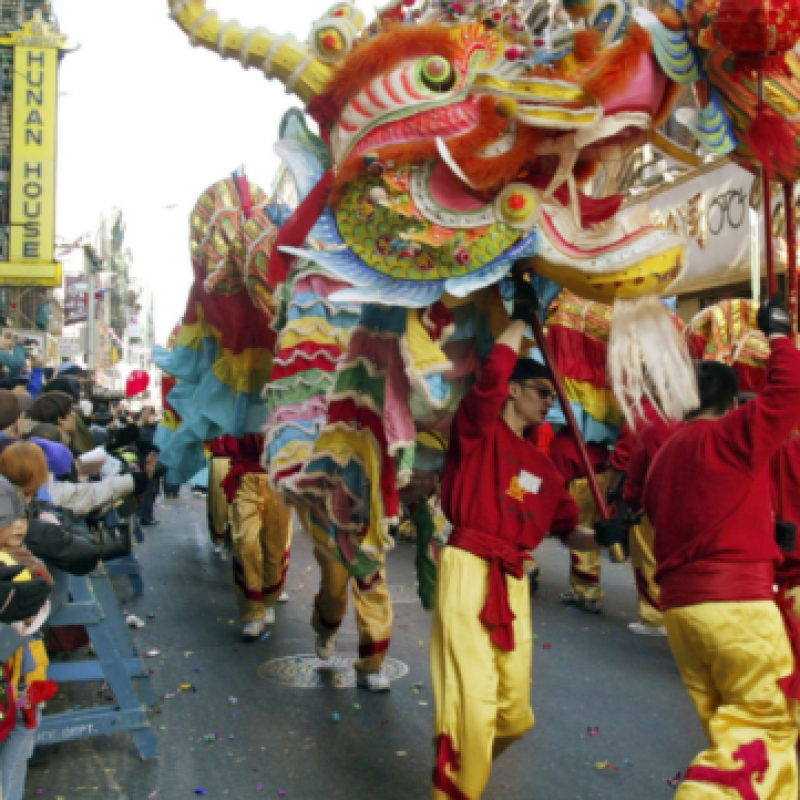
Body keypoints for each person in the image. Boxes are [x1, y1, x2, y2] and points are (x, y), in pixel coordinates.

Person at [430, 278, 623, 800]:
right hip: (469, 568)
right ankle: (456, 783)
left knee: (512, 715)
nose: (549, 405)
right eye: (543, 393)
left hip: (513, 581)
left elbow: (569, 534)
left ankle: (458, 762)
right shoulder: (477, 430)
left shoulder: (545, 465)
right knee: (471, 703)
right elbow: (489, 378)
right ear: (515, 389)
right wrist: (518, 319)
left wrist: (602, 535)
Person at [644, 293, 800, 799]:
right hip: (736, 609)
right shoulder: (734, 436)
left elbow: (663, 518)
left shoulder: (664, 456)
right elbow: (789, 393)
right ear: (732, 405)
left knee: (733, 733)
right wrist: (779, 335)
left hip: (684, 618)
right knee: (767, 726)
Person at [208, 435, 292, 642]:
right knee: (244, 543)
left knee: (274, 548)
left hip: (278, 478)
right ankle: (253, 611)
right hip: (245, 477)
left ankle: (269, 600)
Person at [622, 402, 681, 636]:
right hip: (691, 507)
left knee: (648, 558)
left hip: (652, 504)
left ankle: (656, 615)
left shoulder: (648, 420)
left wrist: (632, 501)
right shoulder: (706, 425)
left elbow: (633, 460)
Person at [548, 429, 610, 614]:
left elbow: (558, 476)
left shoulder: (562, 442)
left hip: (580, 485)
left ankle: (587, 591)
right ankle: (585, 587)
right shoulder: (598, 438)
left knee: (579, 534)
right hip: (602, 482)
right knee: (594, 536)